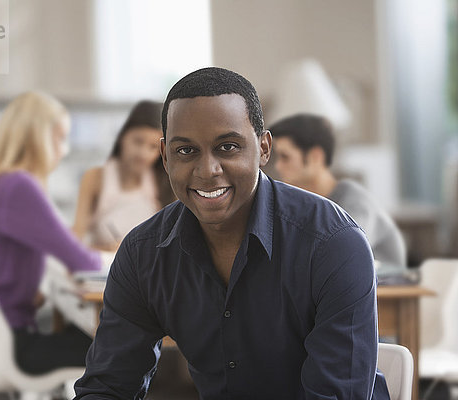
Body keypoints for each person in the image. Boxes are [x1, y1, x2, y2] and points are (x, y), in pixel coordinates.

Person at [74, 68, 390, 399]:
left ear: (264, 149)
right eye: (186, 151)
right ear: (165, 157)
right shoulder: (143, 254)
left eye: (227, 147)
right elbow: (107, 386)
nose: (208, 170)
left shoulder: (333, 244)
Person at [0, 91, 102, 375]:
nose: (65, 150)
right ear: (40, 138)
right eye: (61, 138)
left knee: (94, 333)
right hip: (10, 345)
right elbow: (84, 262)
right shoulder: (19, 187)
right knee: (124, 348)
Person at [269, 114, 407, 267]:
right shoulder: (305, 204)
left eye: (285, 157)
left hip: (386, 288)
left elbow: (341, 253)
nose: (278, 166)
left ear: (316, 156)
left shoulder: (354, 202)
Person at [72, 100, 176, 252]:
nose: (143, 154)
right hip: (104, 269)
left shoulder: (166, 182)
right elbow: (75, 242)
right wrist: (107, 249)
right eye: (138, 141)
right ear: (123, 136)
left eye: (153, 147)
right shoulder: (95, 178)